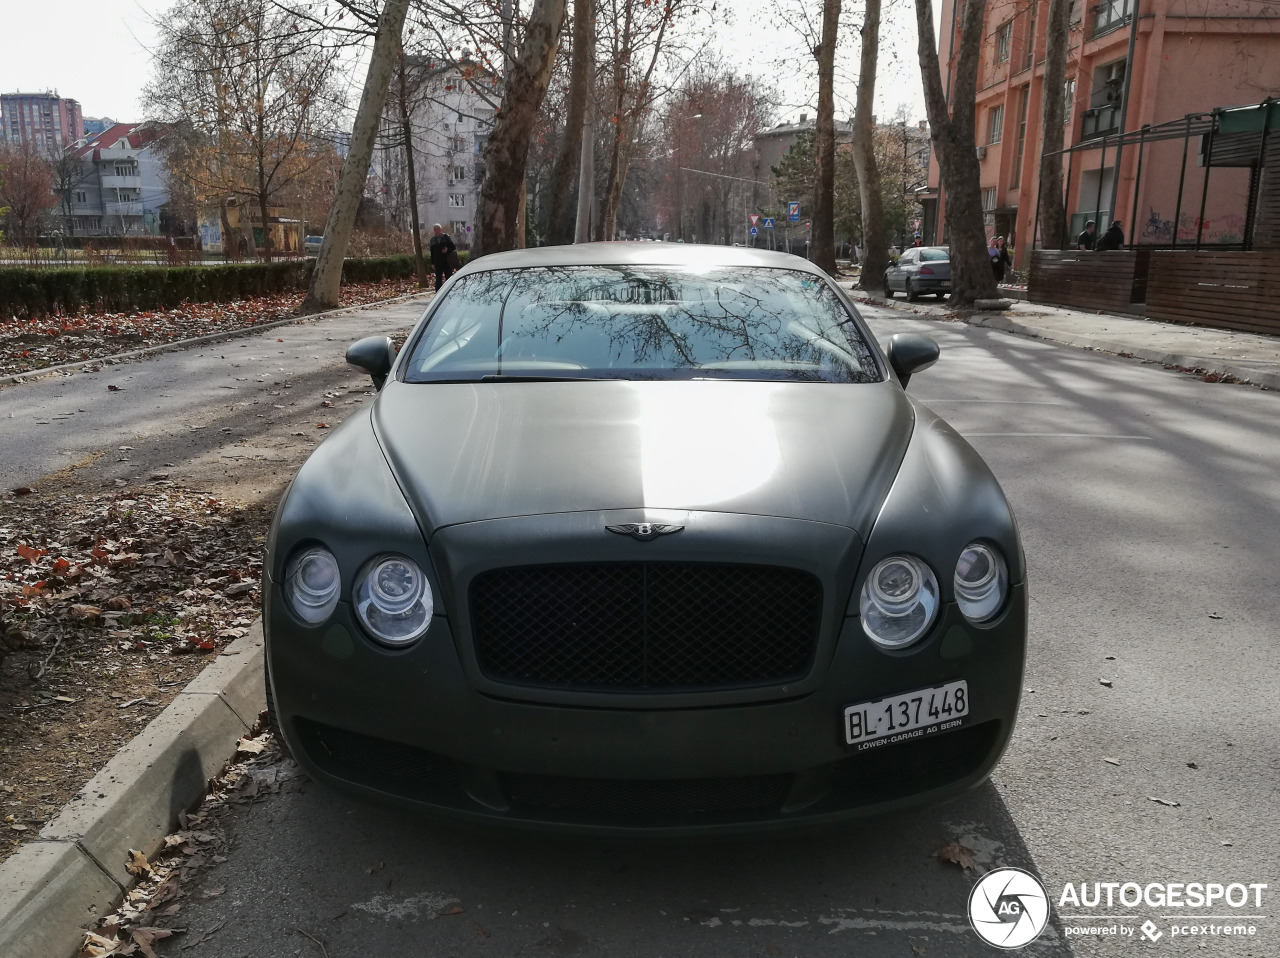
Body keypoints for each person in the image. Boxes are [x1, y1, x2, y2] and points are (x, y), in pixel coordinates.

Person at [428, 224, 458, 291]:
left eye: (437, 229)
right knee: (438, 278)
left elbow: (453, 247)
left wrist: (447, 249)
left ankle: (450, 289)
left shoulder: (446, 237)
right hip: (437, 261)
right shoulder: (432, 240)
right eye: (435, 229)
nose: (436, 231)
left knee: (448, 276)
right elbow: (432, 253)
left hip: (446, 261)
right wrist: (432, 263)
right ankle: (438, 292)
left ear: (441, 229)